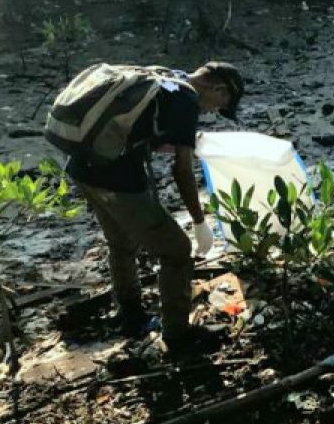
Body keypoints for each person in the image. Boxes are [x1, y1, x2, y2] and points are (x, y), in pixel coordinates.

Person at [66, 62, 243, 353]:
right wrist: (199, 223)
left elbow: (141, 128)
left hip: (83, 169)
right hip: (117, 179)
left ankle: (130, 314)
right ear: (218, 89)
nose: (213, 112)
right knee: (176, 250)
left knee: (120, 242)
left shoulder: (165, 75)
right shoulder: (187, 99)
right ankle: (178, 335)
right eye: (220, 105)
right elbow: (182, 171)